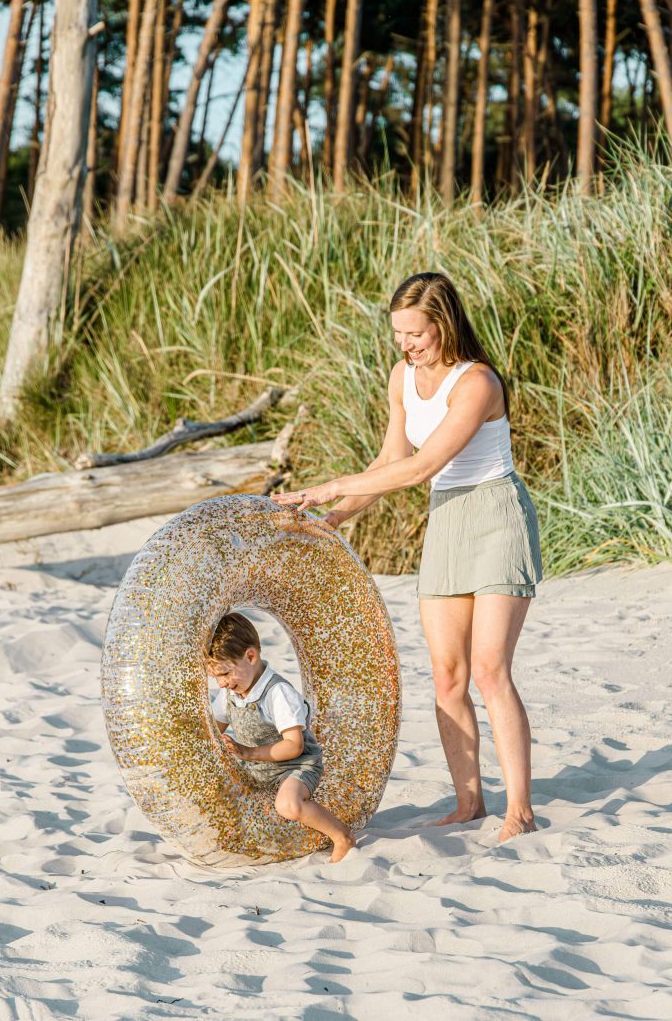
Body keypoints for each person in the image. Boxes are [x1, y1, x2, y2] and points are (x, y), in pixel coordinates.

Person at [272, 271, 543, 843]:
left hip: (495, 516)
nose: (406, 344)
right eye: (398, 334)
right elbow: (391, 458)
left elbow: (422, 466)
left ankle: (519, 808)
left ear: (443, 324)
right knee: (448, 678)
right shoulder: (402, 377)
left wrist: (327, 486)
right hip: (447, 520)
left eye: (415, 333)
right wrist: (336, 515)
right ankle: (469, 803)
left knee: (491, 671)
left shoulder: (479, 384)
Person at [206, 612, 356, 862]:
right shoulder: (231, 693)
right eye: (216, 677)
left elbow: (294, 746)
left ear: (251, 657)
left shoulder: (278, 693)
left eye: (224, 674)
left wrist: (248, 752)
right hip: (257, 768)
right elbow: (214, 729)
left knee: (288, 805)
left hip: (295, 766)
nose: (221, 684)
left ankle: (342, 837)